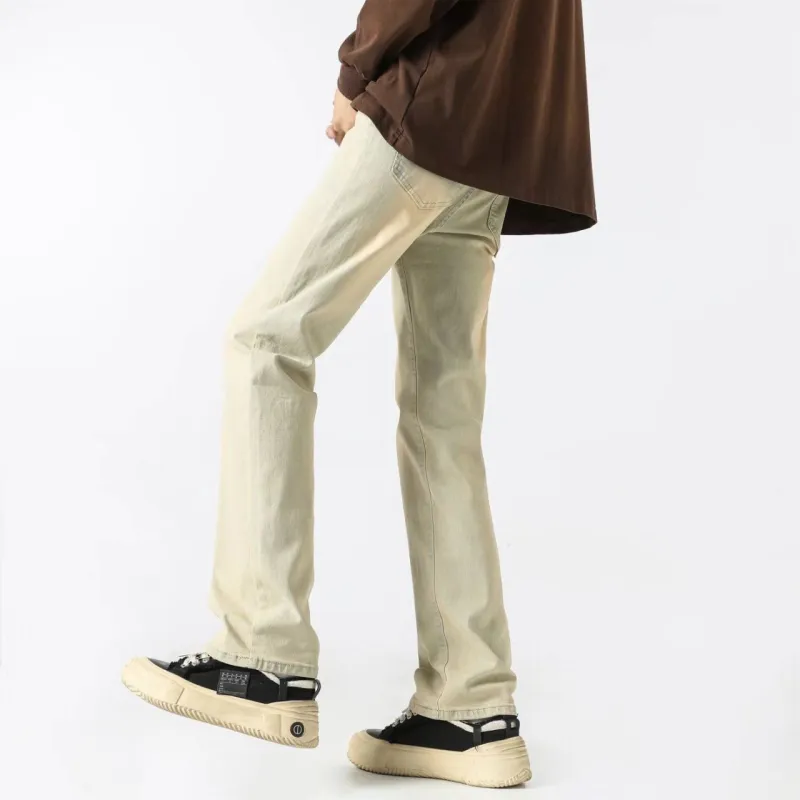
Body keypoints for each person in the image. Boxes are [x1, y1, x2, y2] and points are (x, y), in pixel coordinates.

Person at [121, 0, 596, 788]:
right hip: (496, 135)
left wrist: (356, 70)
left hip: (431, 104)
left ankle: (261, 653)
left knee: (266, 339)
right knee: (443, 418)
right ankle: (469, 708)